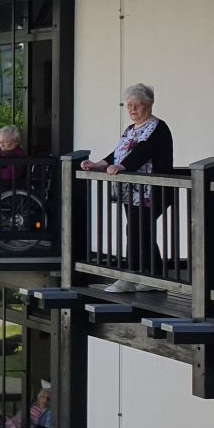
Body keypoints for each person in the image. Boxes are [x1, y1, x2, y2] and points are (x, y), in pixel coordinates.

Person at [81, 83, 176, 291]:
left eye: (137, 105)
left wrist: (122, 166)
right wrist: (98, 164)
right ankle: (155, 278)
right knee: (141, 230)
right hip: (132, 191)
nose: (132, 110)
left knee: (136, 230)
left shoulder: (157, 127)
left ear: (149, 105)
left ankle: (130, 277)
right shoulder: (131, 129)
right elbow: (118, 152)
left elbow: (142, 151)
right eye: (129, 106)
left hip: (151, 190)